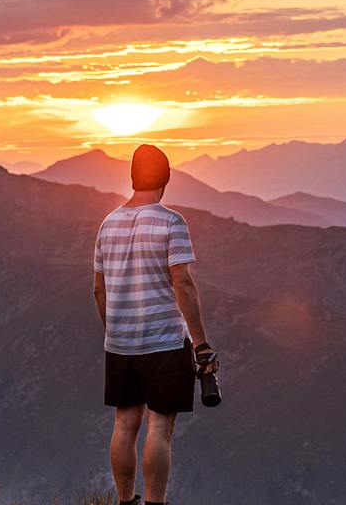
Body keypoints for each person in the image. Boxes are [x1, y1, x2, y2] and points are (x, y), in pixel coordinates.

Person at [93, 144, 220, 505]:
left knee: (123, 426)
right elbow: (182, 282)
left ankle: (124, 500)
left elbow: (98, 287)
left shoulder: (108, 223)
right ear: (166, 178)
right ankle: (154, 502)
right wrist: (200, 343)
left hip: (119, 343)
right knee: (160, 428)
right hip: (163, 341)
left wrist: (113, 328)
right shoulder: (171, 222)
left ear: (132, 177)